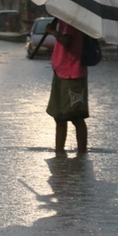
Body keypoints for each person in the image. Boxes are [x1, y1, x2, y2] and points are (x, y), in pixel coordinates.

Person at [45, 19, 88, 157]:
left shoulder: (73, 21)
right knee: (59, 117)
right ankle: (59, 154)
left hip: (72, 74)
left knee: (76, 116)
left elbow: (67, 41)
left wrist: (53, 32)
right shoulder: (63, 20)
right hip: (59, 71)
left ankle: (82, 155)